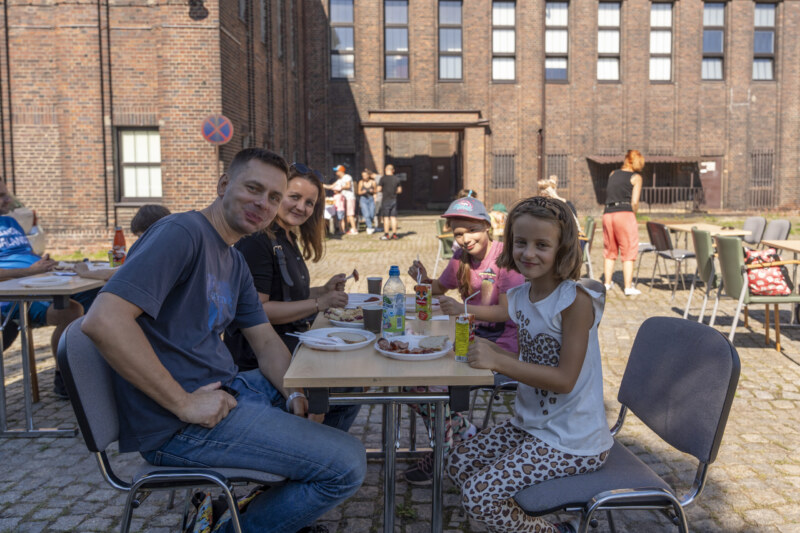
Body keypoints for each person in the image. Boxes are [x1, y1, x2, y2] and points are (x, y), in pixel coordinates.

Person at [80, 148, 366, 533]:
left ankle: (271, 501)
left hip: (230, 391)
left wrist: (296, 393)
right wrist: (183, 403)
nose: (263, 204)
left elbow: (265, 342)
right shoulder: (181, 233)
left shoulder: (233, 259)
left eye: (274, 197)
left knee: (335, 386)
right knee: (347, 465)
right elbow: (103, 321)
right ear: (223, 185)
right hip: (177, 425)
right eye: (253, 189)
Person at [446, 196, 613, 533]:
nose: (528, 253)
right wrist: (494, 350)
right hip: (532, 426)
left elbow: (564, 379)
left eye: (542, 245)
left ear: (563, 249)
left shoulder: (574, 301)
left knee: (479, 496)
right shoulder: (521, 297)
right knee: (457, 461)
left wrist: (499, 361)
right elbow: (530, 362)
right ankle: (512, 522)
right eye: (521, 242)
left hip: (574, 441)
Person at [224, 162, 361, 431]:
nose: (301, 207)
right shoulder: (258, 242)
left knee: (353, 377)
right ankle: (319, 445)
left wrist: (322, 291)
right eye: (294, 197)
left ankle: (321, 443)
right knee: (348, 385)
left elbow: (286, 295)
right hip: (259, 363)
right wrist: (319, 303)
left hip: (291, 347)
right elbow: (257, 310)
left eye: (309, 203)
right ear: (277, 195)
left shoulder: (285, 236)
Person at [405, 197, 525, 485]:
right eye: (459, 233)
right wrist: (423, 278)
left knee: (430, 386)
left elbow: (507, 312)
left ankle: (444, 454)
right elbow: (438, 287)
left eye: (472, 230)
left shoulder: (505, 259)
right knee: (410, 378)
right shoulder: (460, 257)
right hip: (466, 338)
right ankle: (466, 436)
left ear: (487, 226)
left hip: (501, 349)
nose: (466, 239)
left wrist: (463, 308)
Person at [0, 180, 95, 399]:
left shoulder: (10, 222)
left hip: (41, 281)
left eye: (6, 193)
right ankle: (64, 380)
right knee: (71, 310)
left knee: (99, 295)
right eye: (1, 196)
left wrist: (51, 265)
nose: (8, 199)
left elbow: (26, 255)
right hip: (14, 296)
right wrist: (28, 272)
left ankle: (90, 367)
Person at [73, 204, 172, 282]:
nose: (139, 241)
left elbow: (113, 275)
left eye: (140, 236)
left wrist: (84, 272)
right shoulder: (171, 248)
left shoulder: (155, 253)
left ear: (152, 231)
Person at [602, 149, 644, 296]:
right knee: (629, 250)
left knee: (609, 250)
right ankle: (627, 287)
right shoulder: (636, 177)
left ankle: (607, 283)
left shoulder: (612, 173)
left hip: (608, 213)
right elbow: (634, 202)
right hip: (624, 214)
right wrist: (634, 214)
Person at [326, 164, 357, 235]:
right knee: (345, 215)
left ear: (341, 171)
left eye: (337, 171)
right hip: (343, 199)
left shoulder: (347, 177)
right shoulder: (339, 180)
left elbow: (348, 185)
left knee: (350, 214)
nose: (336, 172)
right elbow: (331, 186)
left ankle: (354, 229)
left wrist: (340, 188)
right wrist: (321, 185)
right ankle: (346, 228)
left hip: (349, 198)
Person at [378, 164, 402, 240]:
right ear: (393, 170)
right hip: (394, 199)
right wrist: (393, 192)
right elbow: (399, 190)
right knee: (393, 217)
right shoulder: (396, 179)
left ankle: (386, 234)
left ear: (385, 170)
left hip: (386, 200)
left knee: (386, 218)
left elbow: (378, 189)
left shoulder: (383, 178)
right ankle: (394, 234)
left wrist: (384, 190)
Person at [357, 169, 377, 235]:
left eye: (365, 175)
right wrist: (362, 192)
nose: (364, 177)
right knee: (366, 214)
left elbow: (376, 191)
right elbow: (358, 192)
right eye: (363, 176)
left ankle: (368, 225)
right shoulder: (361, 182)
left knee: (372, 214)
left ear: (368, 175)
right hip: (363, 199)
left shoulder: (373, 182)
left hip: (371, 199)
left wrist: (373, 191)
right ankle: (369, 227)